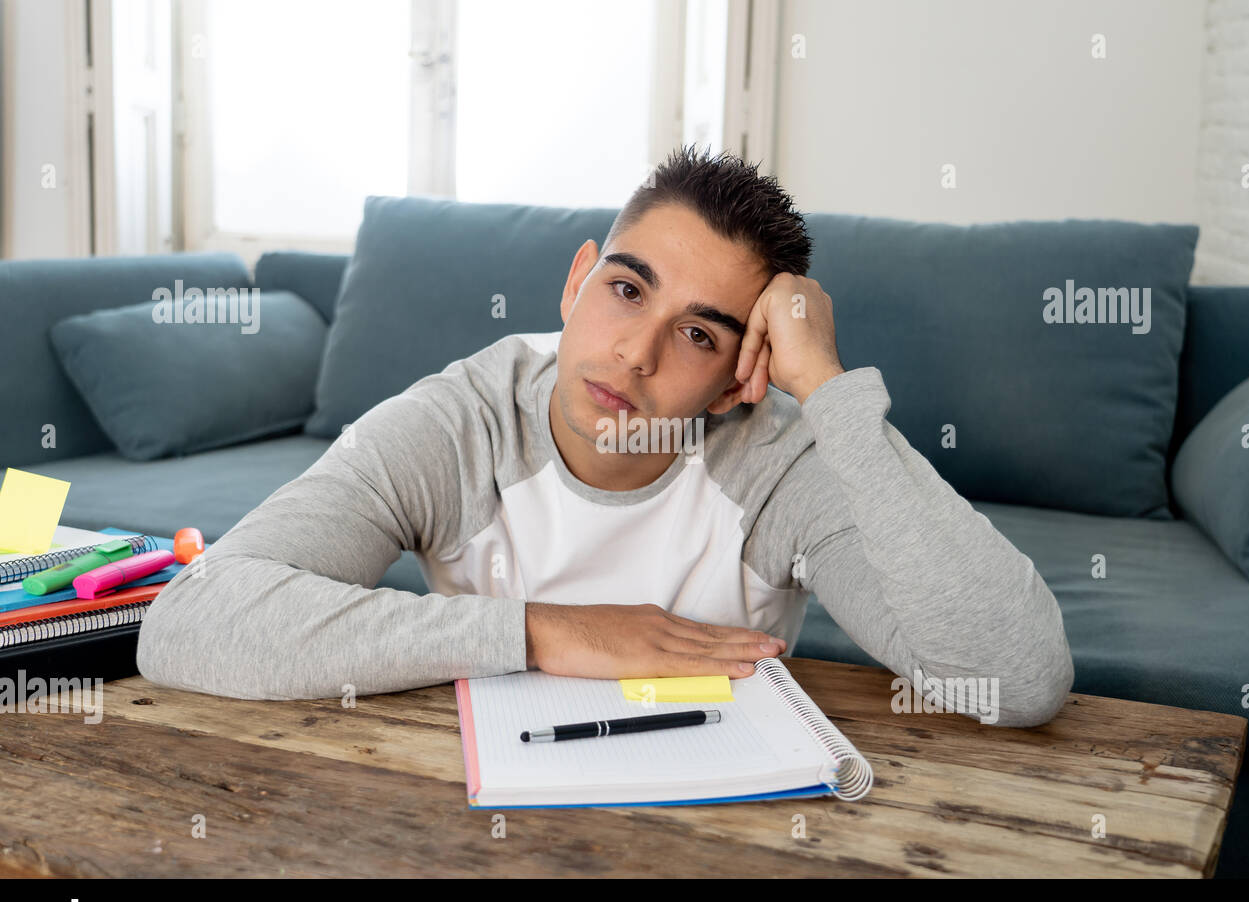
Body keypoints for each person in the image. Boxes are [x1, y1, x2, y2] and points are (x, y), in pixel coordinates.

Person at [136, 144, 1073, 727]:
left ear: (741, 376)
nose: (633, 354)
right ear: (577, 280)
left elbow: (1017, 679)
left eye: (699, 333)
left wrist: (827, 389)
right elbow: (193, 620)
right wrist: (542, 632)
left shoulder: (777, 461)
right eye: (626, 290)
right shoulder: (458, 423)